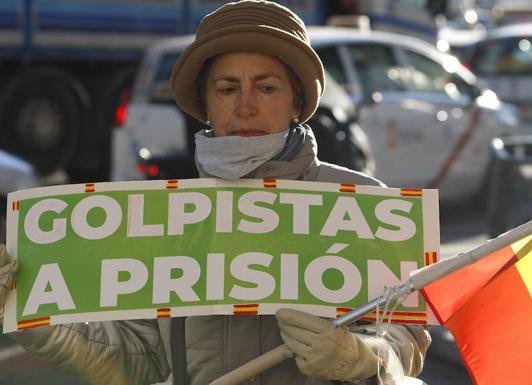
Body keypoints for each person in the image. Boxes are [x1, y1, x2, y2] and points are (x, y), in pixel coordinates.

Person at [0, 2, 431, 385]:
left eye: (266, 87)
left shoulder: (363, 200)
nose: (245, 106)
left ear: (297, 103)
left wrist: (359, 358)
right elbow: (138, 360)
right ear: (206, 104)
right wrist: (36, 321)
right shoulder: (162, 214)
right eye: (227, 89)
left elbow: (405, 341)